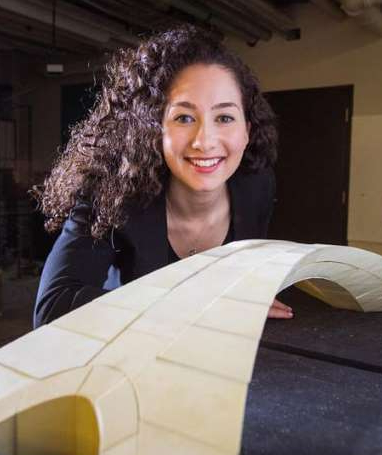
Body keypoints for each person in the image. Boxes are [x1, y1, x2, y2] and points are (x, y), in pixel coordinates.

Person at [33, 25, 293, 328]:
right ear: (154, 129)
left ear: (246, 131)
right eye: (183, 118)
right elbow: (52, 308)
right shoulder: (112, 193)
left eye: (224, 117)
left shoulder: (257, 185)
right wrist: (201, 301)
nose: (205, 141)